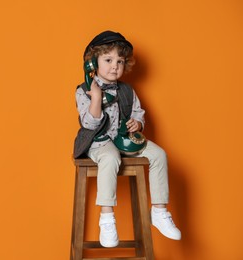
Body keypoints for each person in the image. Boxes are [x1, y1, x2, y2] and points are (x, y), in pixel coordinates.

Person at [74, 30, 181, 248]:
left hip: (124, 139)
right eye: (108, 60)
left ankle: (159, 211)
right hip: (99, 142)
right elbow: (90, 124)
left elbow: (138, 111)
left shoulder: (127, 90)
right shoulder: (83, 90)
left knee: (159, 154)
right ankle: (107, 219)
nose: (115, 66)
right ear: (92, 64)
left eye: (120, 61)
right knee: (111, 158)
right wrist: (96, 97)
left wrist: (137, 123)